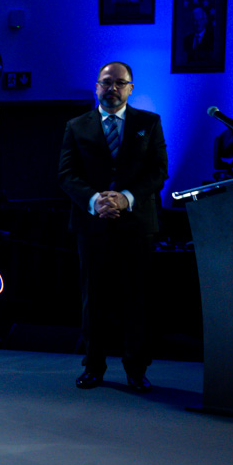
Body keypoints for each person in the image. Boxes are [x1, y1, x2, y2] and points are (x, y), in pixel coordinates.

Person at [59, 61, 168, 392]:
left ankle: (136, 369)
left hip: (136, 226)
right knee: (93, 299)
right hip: (92, 226)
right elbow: (66, 175)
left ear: (130, 89)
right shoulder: (76, 126)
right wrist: (96, 201)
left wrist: (125, 198)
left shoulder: (149, 123)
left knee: (137, 299)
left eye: (120, 83)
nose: (113, 88)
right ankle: (93, 367)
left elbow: (158, 171)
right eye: (106, 83)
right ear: (97, 87)